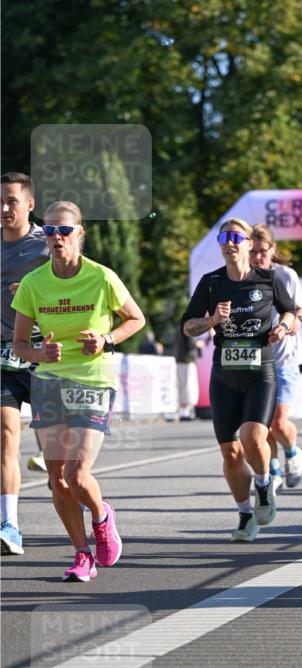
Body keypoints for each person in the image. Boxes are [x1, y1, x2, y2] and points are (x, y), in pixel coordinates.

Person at [11, 201, 145, 580]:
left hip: (92, 380)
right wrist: (39, 353)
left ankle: (102, 516)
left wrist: (106, 340)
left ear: (79, 234)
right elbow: (19, 344)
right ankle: (81, 553)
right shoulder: (34, 283)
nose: (57, 236)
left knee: (77, 474)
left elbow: (136, 319)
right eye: (50, 230)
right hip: (49, 382)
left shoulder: (101, 277)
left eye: (65, 230)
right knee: (56, 479)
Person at [182, 217, 297, 541]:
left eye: (236, 237)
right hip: (224, 375)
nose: (229, 243)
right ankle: (245, 514)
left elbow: (291, 312)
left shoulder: (269, 278)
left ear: (248, 243)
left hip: (260, 371)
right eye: (224, 238)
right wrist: (212, 321)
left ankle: (263, 483)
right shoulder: (211, 282)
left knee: (252, 437)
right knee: (230, 453)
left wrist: (283, 327)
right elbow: (187, 327)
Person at [1, 172, 50, 554]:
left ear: (30, 204)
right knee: (6, 433)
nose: (4, 208)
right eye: (0, 202)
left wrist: (37, 293)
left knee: (58, 458)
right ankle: (9, 525)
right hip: (4, 352)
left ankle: (92, 512)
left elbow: (75, 283)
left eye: (12, 201)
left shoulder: (47, 245)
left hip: (44, 352)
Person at [250, 224, 302, 490]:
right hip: (256, 359)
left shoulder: (285, 274)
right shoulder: (244, 276)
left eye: (263, 251)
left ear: (273, 249)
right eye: (253, 251)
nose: (258, 256)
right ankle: (274, 470)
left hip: (284, 358)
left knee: (278, 422)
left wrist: (294, 322)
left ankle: (293, 452)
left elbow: (300, 307)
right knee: (262, 424)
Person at [174, 328, 202, 420]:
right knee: (189, 386)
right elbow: (192, 343)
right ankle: (187, 412)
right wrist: (199, 343)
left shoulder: (178, 329)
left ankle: (183, 411)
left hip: (180, 360)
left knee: (182, 386)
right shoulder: (189, 327)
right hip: (188, 361)